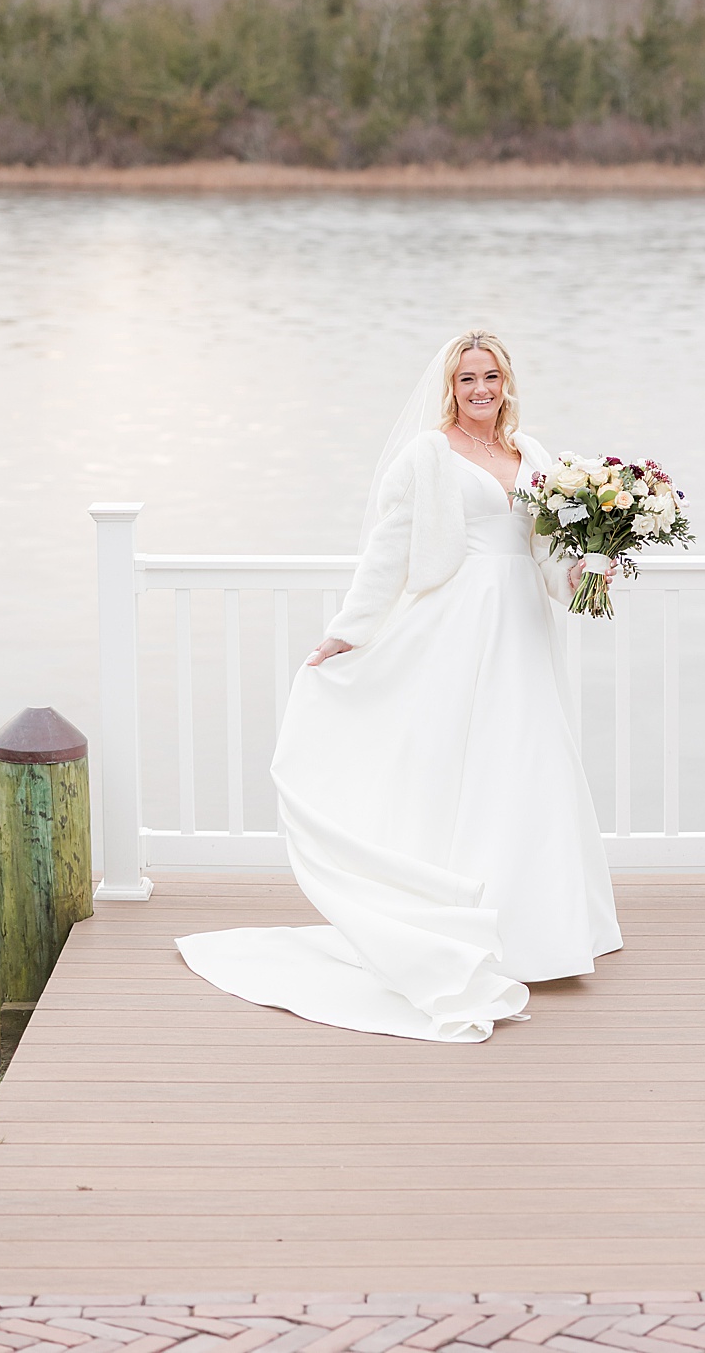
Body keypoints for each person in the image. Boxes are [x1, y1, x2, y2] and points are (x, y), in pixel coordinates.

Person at [177, 331, 623, 1042]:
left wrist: (589, 569)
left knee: (529, 758)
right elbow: (388, 550)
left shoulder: (533, 455)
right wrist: (348, 631)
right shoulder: (428, 455)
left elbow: (545, 555)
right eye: (467, 379)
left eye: (490, 377)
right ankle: (463, 921)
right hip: (457, 622)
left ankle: (545, 929)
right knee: (460, 762)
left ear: (506, 382)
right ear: (450, 387)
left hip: (523, 627)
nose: (480, 389)